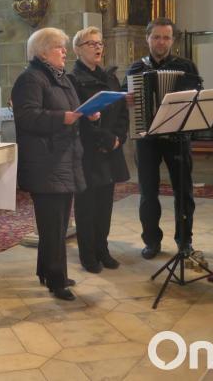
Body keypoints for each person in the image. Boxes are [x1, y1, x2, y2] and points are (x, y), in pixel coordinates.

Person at [11, 27, 98, 301]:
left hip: (63, 158)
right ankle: (57, 280)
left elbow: (72, 109)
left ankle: (47, 272)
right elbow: (27, 117)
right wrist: (63, 117)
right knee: (52, 225)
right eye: (59, 47)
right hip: (45, 162)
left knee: (58, 225)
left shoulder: (60, 78)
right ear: (43, 52)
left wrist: (87, 114)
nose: (64, 52)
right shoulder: (30, 79)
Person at [126, 17, 202, 259]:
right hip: (147, 138)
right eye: (156, 36)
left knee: (184, 192)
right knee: (148, 193)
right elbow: (123, 97)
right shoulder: (136, 69)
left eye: (166, 37)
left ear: (173, 39)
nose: (161, 42)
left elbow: (197, 99)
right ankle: (151, 240)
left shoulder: (187, 66)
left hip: (177, 138)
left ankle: (184, 241)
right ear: (147, 38)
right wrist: (126, 98)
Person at [68, 27, 130, 273]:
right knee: (87, 207)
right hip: (88, 152)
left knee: (105, 205)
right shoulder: (72, 80)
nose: (97, 47)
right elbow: (79, 116)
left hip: (111, 150)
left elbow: (121, 112)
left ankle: (102, 249)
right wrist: (104, 137)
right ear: (78, 49)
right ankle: (88, 254)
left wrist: (118, 138)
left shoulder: (110, 78)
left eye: (100, 43)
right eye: (91, 43)